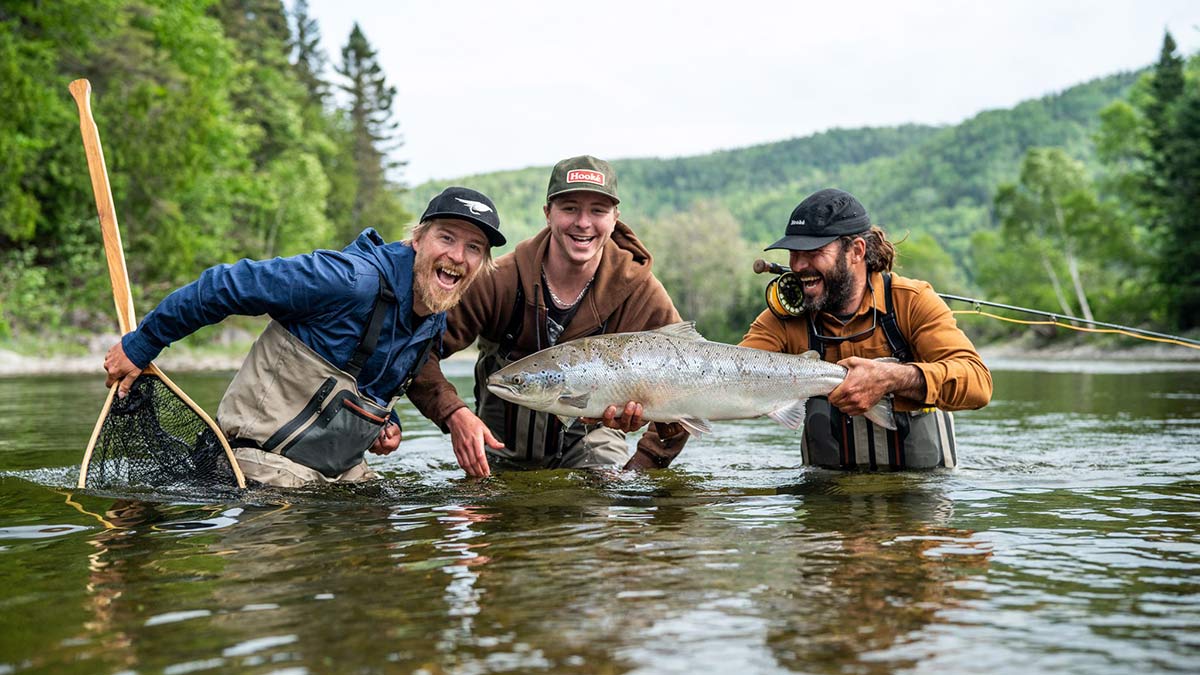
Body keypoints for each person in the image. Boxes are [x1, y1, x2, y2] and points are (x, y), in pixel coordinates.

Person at [102, 187, 506, 487]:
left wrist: (384, 419)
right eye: (447, 238)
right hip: (256, 467)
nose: (458, 256)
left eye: (474, 247)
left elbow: (369, 372)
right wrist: (143, 344)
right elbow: (223, 285)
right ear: (417, 239)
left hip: (336, 473)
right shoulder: (346, 280)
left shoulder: (434, 312)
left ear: (482, 264)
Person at [407, 155, 690, 477]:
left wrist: (639, 470)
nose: (583, 222)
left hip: (594, 445)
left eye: (598, 211)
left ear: (615, 219)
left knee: (604, 516)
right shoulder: (499, 280)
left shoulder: (640, 292)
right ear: (548, 214)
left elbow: (691, 384)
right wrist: (453, 413)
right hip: (498, 448)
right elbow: (416, 350)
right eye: (569, 208)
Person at [740, 188, 991, 469]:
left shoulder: (911, 301)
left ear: (856, 251)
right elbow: (728, 377)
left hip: (920, 497)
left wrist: (895, 378)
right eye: (793, 253)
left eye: (813, 252)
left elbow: (978, 384)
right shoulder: (782, 319)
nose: (798, 266)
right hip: (828, 501)